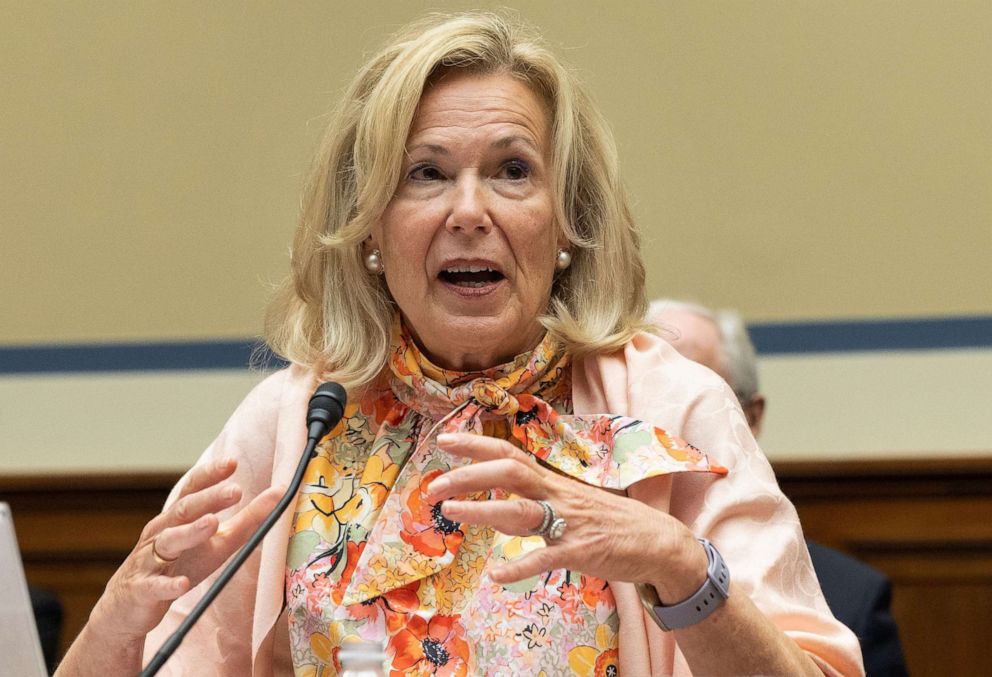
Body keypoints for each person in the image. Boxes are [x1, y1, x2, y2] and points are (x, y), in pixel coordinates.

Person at [56, 13, 864, 677]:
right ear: (372, 227)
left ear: (568, 222)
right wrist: (122, 616)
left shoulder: (673, 411)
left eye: (512, 170)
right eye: (425, 174)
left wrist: (680, 565)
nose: (469, 210)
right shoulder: (297, 421)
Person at [649, 299, 908, 677]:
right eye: (644, 402)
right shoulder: (578, 575)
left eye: (698, 403)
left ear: (751, 418)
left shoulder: (852, 598)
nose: (660, 427)